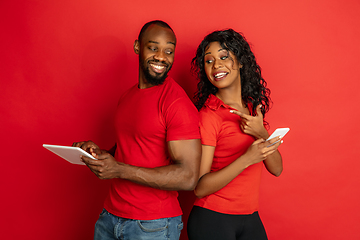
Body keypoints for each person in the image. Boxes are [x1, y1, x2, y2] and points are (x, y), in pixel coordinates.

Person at [73, 20, 201, 240]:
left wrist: (118, 169)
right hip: (110, 217)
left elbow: (188, 176)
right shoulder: (127, 96)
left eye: (168, 51)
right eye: (153, 48)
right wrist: (99, 154)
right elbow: (129, 148)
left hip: (153, 225)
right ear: (137, 47)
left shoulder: (176, 103)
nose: (161, 57)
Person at [187, 29, 283, 240]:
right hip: (212, 218)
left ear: (240, 62)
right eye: (208, 61)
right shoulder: (209, 115)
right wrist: (247, 158)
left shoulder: (252, 110)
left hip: (250, 218)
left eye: (224, 57)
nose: (216, 65)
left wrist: (262, 132)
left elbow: (277, 169)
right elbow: (200, 188)